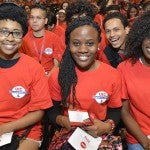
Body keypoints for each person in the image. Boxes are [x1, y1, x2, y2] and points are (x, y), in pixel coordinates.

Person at [42, 17, 122, 150]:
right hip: (69, 131)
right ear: (68, 44)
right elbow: (52, 110)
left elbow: (115, 110)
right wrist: (64, 121)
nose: (83, 49)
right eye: (76, 43)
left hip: (100, 131)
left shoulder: (112, 74)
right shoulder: (58, 75)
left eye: (90, 43)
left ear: (98, 45)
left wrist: (107, 126)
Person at [0, 2, 53, 150]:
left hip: (25, 130)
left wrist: (5, 128)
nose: (10, 38)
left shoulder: (33, 67)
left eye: (16, 33)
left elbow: (39, 112)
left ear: (22, 36)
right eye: (3, 31)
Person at [118, 11, 150, 150]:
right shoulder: (125, 68)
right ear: (140, 38)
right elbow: (124, 111)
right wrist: (146, 143)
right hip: (139, 137)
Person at [20, 3, 64, 77]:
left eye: (38, 18)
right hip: (31, 76)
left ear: (46, 21)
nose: (34, 21)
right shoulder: (24, 40)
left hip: (50, 76)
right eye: (32, 17)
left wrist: (46, 78)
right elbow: (22, 64)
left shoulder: (54, 38)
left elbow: (57, 65)